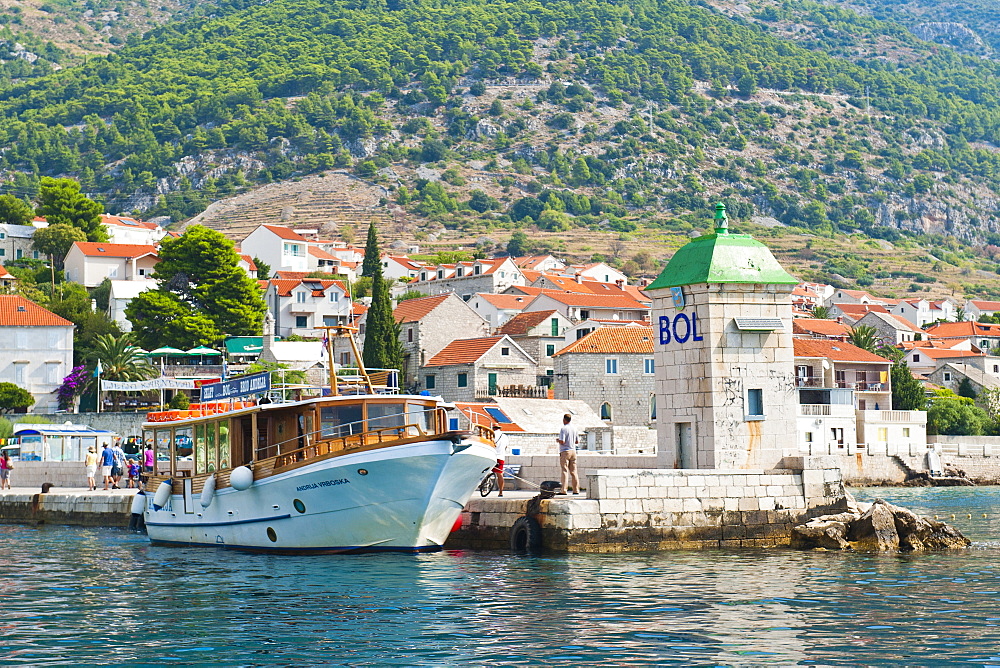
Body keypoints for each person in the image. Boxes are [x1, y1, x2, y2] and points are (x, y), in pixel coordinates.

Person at [556, 413, 580, 495]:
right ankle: (576, 490)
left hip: (565, 451)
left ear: (564, 419)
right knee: (574, 471)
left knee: (564, 471)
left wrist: (558, 440)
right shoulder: (574, 428)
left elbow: (562, 441)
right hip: (573, 451)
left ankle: (563, 490)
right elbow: (577, 441)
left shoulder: (563, 429)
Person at [491, 425, 509, 497]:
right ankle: (501, 492)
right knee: (500, 474)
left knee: (484, 471)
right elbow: (506, 446)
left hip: (492, 456)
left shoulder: (491, 434)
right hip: (501, 457)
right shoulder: (505, 436)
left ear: (493, 428)